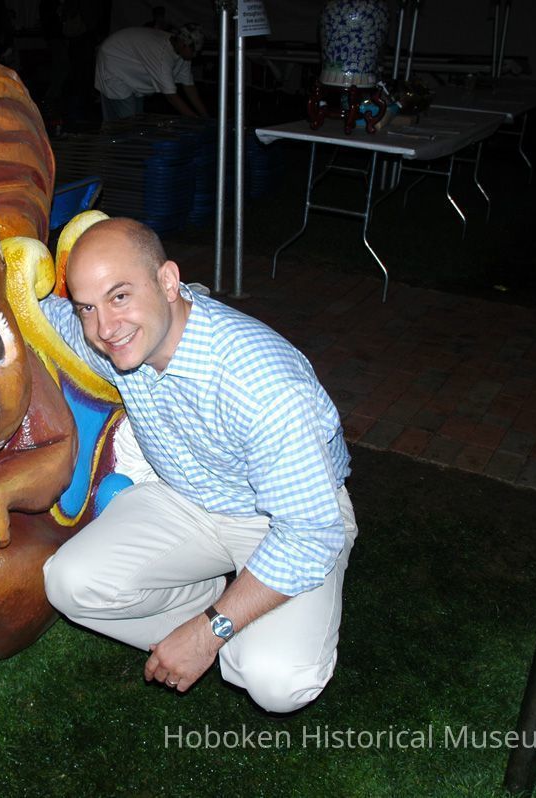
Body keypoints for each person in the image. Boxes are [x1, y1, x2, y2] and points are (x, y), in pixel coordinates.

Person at [37, 218, 357, 714]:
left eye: (120, 296)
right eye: (88, 307)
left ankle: (229, 619)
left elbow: (310, 533)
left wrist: (211, 631)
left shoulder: (261, 383)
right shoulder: (117, 341)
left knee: (278, 681)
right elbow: (21, 300)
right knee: (69, 582)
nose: (104, 328)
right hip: (185, 499)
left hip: (282, 522)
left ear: (168, 281)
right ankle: (209, 597)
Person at [93, 22, 209, 122]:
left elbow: (189, 87)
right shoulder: (162, 57)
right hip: (113, 61)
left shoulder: (182, 55)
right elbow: (171, 97)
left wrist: (205, 117)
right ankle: (112, 145)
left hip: (130, 67)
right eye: (194, 51)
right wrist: (195, 120)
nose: (195, 55)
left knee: (137, 118)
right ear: (183, 44)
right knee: (127, 123)